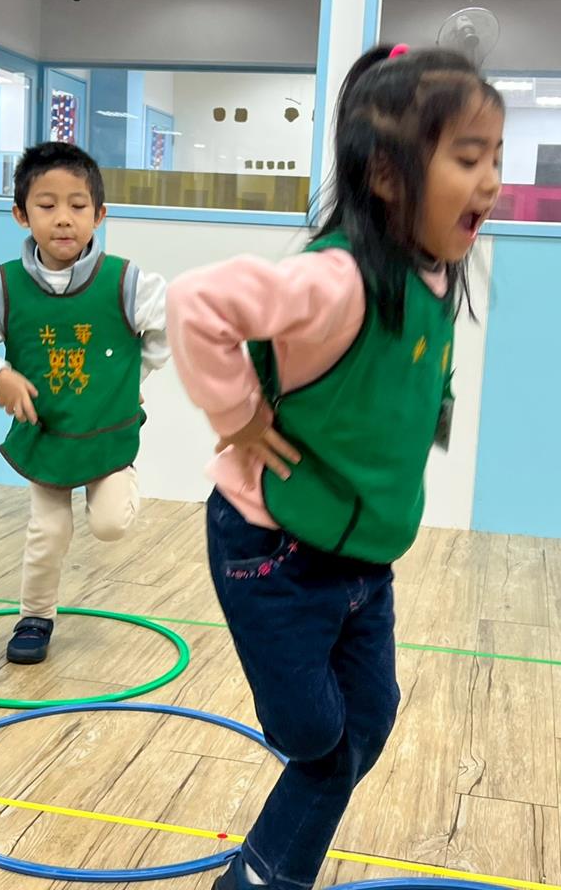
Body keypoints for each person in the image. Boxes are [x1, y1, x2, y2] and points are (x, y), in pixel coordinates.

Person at [166, 45, 503, 890]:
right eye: (468, 158)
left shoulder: (432, 276)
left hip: (361, 562)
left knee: (370, 720)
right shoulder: (336, 279)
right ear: (386, 175)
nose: (492, 180)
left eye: (496, 156)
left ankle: (259, 875)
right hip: (273, 550)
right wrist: (238, 415)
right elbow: (195, 302)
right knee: (315, 739)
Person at [0, 141, 168, 663]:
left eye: (78, 205)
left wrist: (132, 379)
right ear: (21, 215)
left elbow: (168, 329)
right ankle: (35, 617)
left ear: (99, 215)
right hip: (46, 436)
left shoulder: (128, 281)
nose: (63, 218)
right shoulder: (4, 286)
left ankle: (125, 473)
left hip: (106, 432)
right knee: (49, 530)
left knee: (109, 525)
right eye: (46, 205)